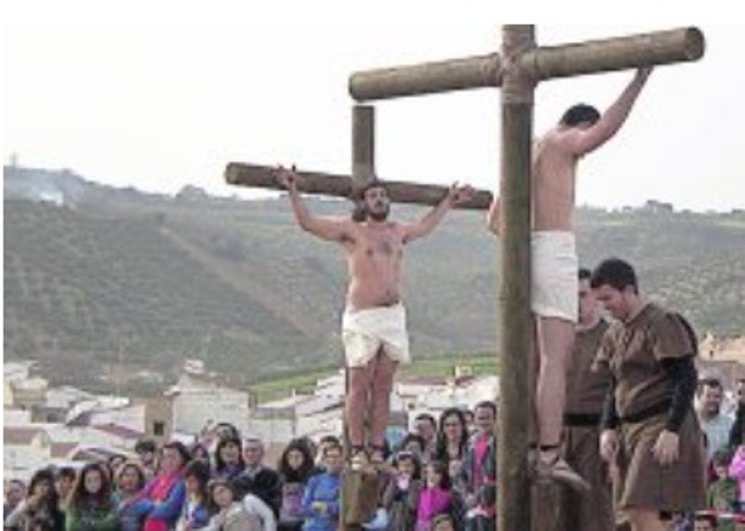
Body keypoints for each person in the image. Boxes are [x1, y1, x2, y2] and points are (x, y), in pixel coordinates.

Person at [486, 67, 653, 487]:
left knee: (526, 356)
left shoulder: (523, 149)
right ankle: (548, 453)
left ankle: (526, 445)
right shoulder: (563, 143)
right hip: (554, 248)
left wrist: (527, 245)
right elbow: (605, 129)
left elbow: (494, 221)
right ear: (580, 124)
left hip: (520, 250)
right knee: (555, 358)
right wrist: (640, 78)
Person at [275, 165, 474, 467]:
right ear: (363, 202)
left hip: (392, 315)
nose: (379, 199)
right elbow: (308, 223)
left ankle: (377, 447)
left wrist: (448, 201)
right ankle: (357, 447)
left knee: (383, 385)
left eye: (383, 195)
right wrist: (292, 189)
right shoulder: (352, 231)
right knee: (359, 384)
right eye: (373, 196)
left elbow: (425, 226)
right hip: (362, 315)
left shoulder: (397, 231)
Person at [594, 258, 706, 531]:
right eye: (600, 300)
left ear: (629, 290)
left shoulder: (661, 322)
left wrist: (672, 429)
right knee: (629, 516)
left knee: (640, 509)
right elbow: (614, 384)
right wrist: (607, 427)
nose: (605, 306)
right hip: (628, 428)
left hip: (660, 423)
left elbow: (686, 378)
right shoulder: (614, 334)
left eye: (608, 298)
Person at [557, 267, 613, 531]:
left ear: (595, 297)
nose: (577, 302)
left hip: (596, 436)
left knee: (595, 514)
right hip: (558, 437)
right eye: (571, 295)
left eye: (582, 294)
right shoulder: (555, 338)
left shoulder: (612, 337)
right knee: (559, 513)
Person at [124, 441, 189, 530]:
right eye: (165, 457)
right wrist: (154, 504)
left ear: (183, 459)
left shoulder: (182, 481)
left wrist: (148, 505)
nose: (168, 461)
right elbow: (134, 503)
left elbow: (168, 510)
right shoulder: (157, 480)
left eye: (172, 456)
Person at [458, 401, 497, 531]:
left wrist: (479, 496)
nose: (483, 422)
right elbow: (462, 474)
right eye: (480, 418)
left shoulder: (501, 443)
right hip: (472, 507)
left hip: (494, 506)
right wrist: (466, 495)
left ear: (496, 419)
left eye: (488, 418)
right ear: (474, 420)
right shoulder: (470, 442)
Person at [300, 442, 344, 531]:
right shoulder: (314, 480)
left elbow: (343, 507)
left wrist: (327, 507)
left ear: (343, 459)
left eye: (336, 456)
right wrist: (323, 508)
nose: (332, 460)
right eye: (328, 456)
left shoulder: (347, 481)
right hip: (311, 527)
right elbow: (304, 507)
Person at [64, 462, 119, 531]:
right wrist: (99, 523)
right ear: (83, 482)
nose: (93, 484)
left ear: (102, 480)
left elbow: (114, 522)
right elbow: (71, 526)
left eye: (96, 479)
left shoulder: (112, 497)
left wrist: (89, 524)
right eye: (89, 480)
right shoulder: (75, 498)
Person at [277, 438, 317, 531]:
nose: (294, 460)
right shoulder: (281, 476)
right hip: (284, 522)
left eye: (297, 456)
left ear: (304, 457)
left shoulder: (313, 476)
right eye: (290, 457)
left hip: (304, 522)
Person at [697, 378, 736, 460]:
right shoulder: (690, 423)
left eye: (717, 396)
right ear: (699, 397)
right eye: (708, 396)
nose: (712, 400)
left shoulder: (730, 425)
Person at [175, 459, 212, 531]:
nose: (188, 484)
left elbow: (214, 526)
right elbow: (182, 520)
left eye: (192, 481)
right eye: (186, 481)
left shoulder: (211, 499)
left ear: (202, 481)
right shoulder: (188, 498)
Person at [114, 461, 147, 531]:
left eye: (133, 475)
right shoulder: (114, 497)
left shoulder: (146, 499)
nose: (130, 479)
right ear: (120, 478)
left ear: (140, 479)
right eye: (126, 475)